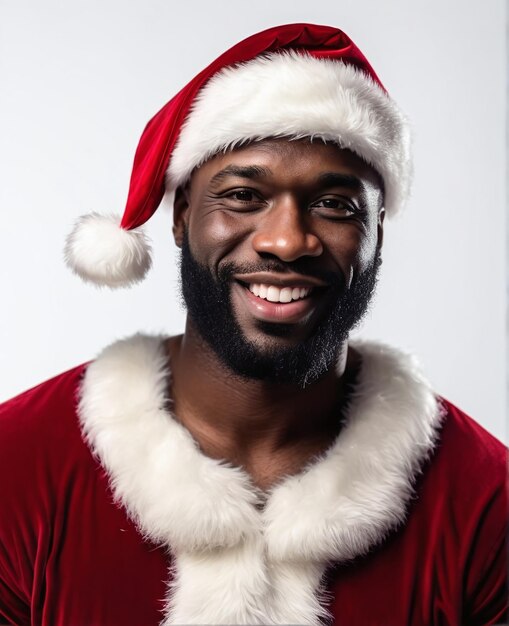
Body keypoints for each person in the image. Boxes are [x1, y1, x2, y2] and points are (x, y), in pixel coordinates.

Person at [0, 23, 506, 626]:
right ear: (182, 216)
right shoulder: (16, 467)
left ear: (377, 235)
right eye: (243, 195)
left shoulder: (486, 502)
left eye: (336, 205)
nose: (287, 241)